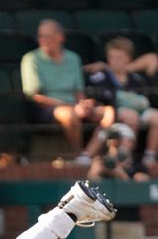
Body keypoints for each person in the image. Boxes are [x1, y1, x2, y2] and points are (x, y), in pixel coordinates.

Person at [20, 19, 113, 165]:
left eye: (48, 36)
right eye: (41, 36)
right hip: (47, 108)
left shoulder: (73, 58)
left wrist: (84, 104)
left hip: (75, 106)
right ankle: (78, 154)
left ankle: (86, 156)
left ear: (60, 37)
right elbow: (35, 96)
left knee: (108, 112)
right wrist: (68, 105)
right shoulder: (31, 59)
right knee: (68, 113)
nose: (44, 40)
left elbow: (78, 92)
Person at [81, 36, 158, 168]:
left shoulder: (136, 79)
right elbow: (98, 98)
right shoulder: (101, 76)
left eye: (119, 57)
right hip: (110, 112)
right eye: (112, 57)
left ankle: (150, 155)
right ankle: (126, 158)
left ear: (128, 58)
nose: (115, 61)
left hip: (137, 112)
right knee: (130, 115)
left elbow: (144, 101)